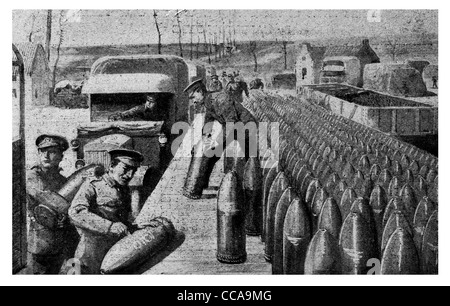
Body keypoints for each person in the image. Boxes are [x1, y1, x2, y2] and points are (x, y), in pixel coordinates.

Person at [68, 148, 148, 274]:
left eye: (134, 170)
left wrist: (135, 227)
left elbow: (120, 219)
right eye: (126, 169)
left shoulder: (124, 190)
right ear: (111, 166)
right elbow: (76, 212)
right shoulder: (93, 185)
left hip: (114, 253)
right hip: (90, 254)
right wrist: (110, 226)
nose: (130, 175)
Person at [182, 78, 258, 199]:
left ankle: (249, 191)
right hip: (232, 127)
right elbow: (208, 123)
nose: (193, 101)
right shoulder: (208, 102)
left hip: (245, 127)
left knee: (249, 159)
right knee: (210, 154)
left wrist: (216, 142)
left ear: (200, 92)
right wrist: (203, 141)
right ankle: (199, 185)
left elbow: (231, 123)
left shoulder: (220, 99)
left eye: (193, 97)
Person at [26, 134, 76, 274]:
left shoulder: (62, 180)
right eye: (42, 151)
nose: (46, 156)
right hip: (41, 243)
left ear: (61, 156)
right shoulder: (33, 176)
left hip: (61, 243)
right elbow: (46, 196)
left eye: (52, 152)